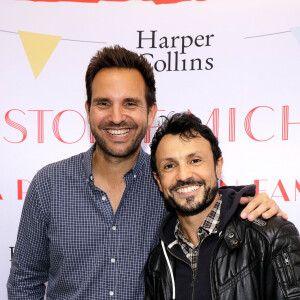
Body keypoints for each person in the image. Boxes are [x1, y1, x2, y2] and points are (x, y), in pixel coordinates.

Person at [7, 46, 285, 300]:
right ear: (88, 110)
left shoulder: (171, 183)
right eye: (103, 103)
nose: (116, 117)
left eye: (130, 103)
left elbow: (212, 206)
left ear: (151, 112)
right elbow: (24, 281)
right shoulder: (48, 185)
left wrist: (256, 211)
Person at [145, 112, 300, 300]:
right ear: (158, 181)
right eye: (169, 166)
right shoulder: (157, 262)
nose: (183, 175)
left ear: (218, 166)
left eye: (195, 160)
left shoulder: (270, 236)